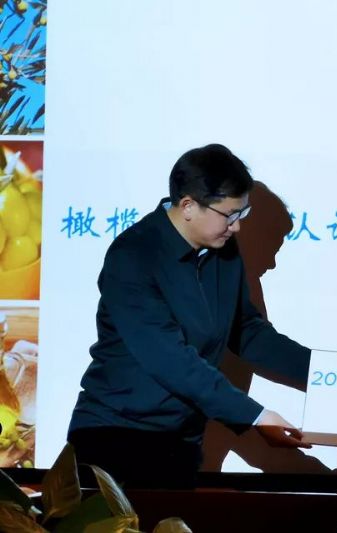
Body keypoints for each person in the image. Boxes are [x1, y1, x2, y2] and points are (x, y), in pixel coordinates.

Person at [67, 144, 311, 488]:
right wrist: (256, 416)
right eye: (230, 215)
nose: (237, 228)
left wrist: (325, 373)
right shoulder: (133, 255)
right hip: (115, 438)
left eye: (242, 214)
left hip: (180, 441)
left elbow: (247, 332)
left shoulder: (223, 253)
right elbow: (172, 360)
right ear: (188, 206)